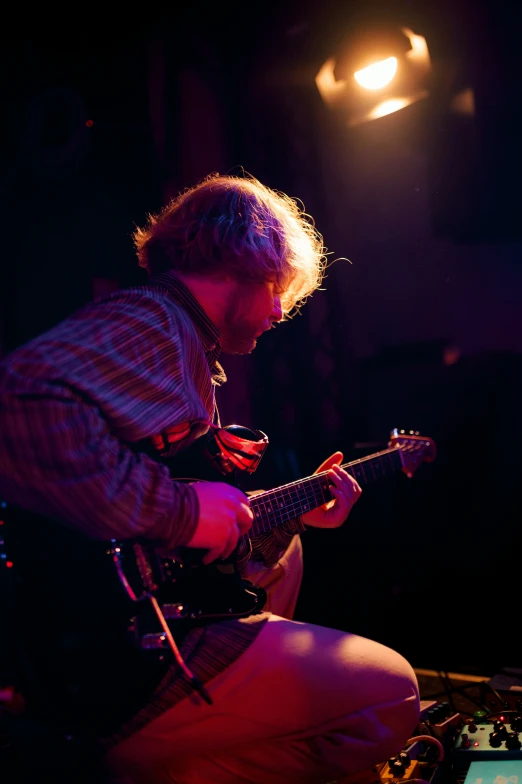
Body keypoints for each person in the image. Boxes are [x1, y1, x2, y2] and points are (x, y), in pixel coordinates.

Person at [0, 172, 420, 784]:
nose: (280, 310)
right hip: (110, 647)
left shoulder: (184, 341)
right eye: (278, 287)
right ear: (247, 262)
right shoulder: (155, 321)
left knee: (289, 553)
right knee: (393, 695)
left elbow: (180, 515)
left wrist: (286, 509)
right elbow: (18, 400)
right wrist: (183, 512)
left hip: (144, 624)